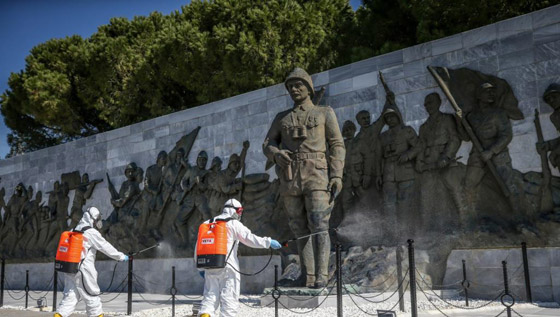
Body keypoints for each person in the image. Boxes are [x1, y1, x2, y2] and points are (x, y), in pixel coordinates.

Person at [263, 67, 345, 288]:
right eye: (290, 87)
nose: (294, 89)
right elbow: (267, 143)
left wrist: (336, 175)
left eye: (298, 85)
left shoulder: (324, 112)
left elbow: (337, 144)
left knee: (319, 222)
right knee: (298, 226)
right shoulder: (282, 118)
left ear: (308, 88)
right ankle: (306, 275)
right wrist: (276, 153)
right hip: (290, 176)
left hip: (317, 174)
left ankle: (322, 275)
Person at [196, 198, 281, 317]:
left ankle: (205, 314)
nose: (240, 214)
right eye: (240, 211)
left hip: (209, 266)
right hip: (228, 268)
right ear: (235, 211)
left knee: (210, 297)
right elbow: (250, 238)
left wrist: (200, 269)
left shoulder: (206, 224)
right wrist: (268, 242)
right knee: (229, 300)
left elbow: (198, 248)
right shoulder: (233, 223)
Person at [54, 207, 129, 317]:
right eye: (98, 219)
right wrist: (121, 256)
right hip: (84, 270)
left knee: (70, 296)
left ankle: (58, 315)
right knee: (92, 295)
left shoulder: (73, 230)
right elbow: (105, 246)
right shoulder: (91, 232)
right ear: (93, 219)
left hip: (70, 268)